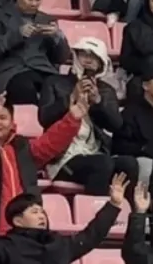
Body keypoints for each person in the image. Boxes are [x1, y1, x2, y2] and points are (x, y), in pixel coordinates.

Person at [39, 38, 139, 192]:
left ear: (101, 63)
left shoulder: (106, 90)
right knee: (102, 163)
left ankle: (127, 206)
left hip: (94, 152)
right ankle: (95, 206)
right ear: (75, 56)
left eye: (94, 57)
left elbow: (117, 125)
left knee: (129, 164)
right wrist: (71, 97)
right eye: (84, 55)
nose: (88, 60)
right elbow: (44, 118)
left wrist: (98, 102)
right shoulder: (54, 82)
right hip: (63, 159)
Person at [0, 0, 71, 102]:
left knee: (62, 88)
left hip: (43, 70)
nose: (34, 3)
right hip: (12, 72)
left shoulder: (47, 20)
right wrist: (17, 35)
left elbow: (61, 58)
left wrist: (57, 37)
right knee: (25, 87)